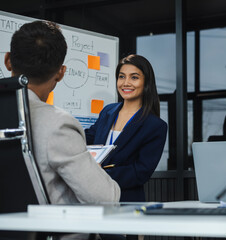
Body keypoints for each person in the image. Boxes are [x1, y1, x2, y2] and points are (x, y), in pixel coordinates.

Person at [4, 20, 120, 204]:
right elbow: (105, 199)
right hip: (48, 232)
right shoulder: (58, 125)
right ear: (61, 72)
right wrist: (93, 170)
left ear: (8, 60)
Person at [86, 54, 167, 202]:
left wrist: (98, 173)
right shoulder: (107, 112)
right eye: (121, 77)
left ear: (146, 82)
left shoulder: (155, 126)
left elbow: (140, 172)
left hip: (125, 200)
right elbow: (87, 139)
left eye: (134, 77)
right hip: (92, 198)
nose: (126, 83)